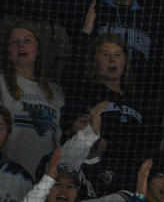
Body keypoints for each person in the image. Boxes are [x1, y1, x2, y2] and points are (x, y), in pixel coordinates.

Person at [0, 23, 63, 176]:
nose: (21, 45)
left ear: (38, 49)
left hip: (44, 178)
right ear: (7, 50)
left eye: (27, 40)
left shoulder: (55, 92)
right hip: (4, 175)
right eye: (14, 41)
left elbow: (59, 138)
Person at [62, 34, 152, 162]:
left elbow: (145, 142)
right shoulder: (85, 92)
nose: (112, 60)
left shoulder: (138, 99)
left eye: (118, 55)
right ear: (94, 60)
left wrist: (107, 145)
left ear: (125, 61)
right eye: (105, 54)